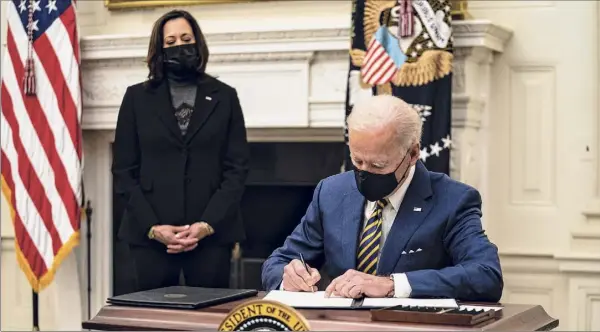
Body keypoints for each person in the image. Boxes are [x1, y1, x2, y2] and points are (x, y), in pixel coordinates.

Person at [261, 95, 503, 301]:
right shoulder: (332, 192)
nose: (364, 172)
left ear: (413, 153)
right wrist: (289, 277)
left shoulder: (453, 199)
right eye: (357, 161)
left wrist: (391, 285)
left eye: (378, 164)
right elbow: (279, 261)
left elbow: (486, 274)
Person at [112, 9, 250, 292]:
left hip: (211, 237)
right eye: (171, 41)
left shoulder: (225, 96)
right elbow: (124, 171)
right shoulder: (136, 97)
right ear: (159, 49)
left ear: (197, 43)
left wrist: (207, 224)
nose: (179, 46)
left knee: (209, 320)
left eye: (186, 39)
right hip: (150, 238)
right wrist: (153, 228)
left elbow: (237, 169)